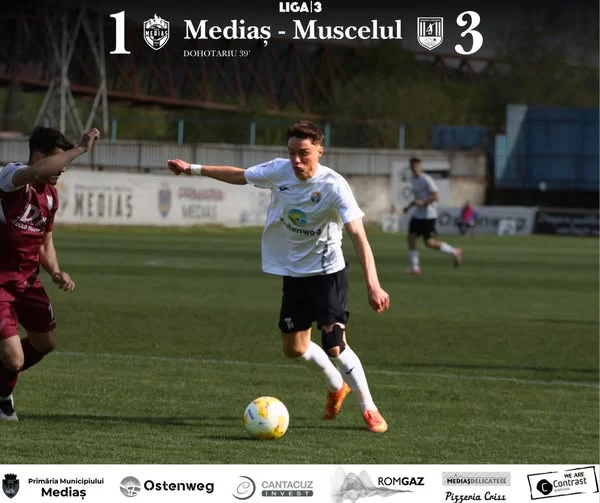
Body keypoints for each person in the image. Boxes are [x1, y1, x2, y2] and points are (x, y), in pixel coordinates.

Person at [168, 120, 391, 433]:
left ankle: (369, 408)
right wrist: (191, 169)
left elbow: (359, 237)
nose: (296, 160)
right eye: (291, 153)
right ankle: (336, 386)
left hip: (328, 272)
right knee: (294, 349)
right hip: (294, 272)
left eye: (304, 153)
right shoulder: (279, 171)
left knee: (334, 343)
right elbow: (239, 175)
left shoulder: (334, 186)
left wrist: (373, 285)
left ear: (320, 151)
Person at [0, 126, 100, 421]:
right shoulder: (11, 177)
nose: (63, 168)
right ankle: (3, 400)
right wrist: (80, 149)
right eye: (59, 160)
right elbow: (34, 173)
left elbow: (45, 242)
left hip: (28, 282)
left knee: (45, 343)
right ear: (39, 156)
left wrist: (56, 271)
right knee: (14, 359)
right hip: (1, 283)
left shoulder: (51, 197)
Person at [402, 157, 462, 274]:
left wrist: (423, 202)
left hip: (429, 215)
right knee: (411, 238)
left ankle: (454, 251)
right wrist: (408, 207)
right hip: (418, 215)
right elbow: (417, 198)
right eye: (412, 167)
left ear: (420, 167)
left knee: (429, 243)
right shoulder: (413, 179)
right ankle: (415, 267)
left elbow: (436, 196)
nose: (414, 169)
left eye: (416, 167)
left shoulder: (426, 179)